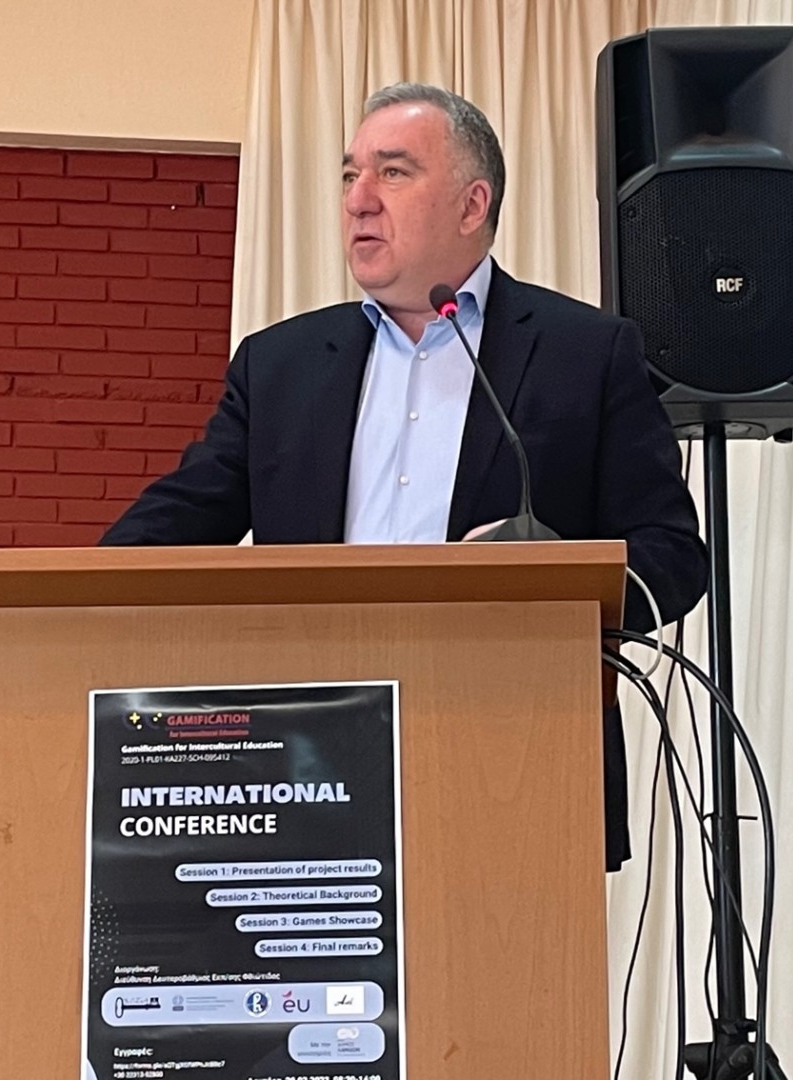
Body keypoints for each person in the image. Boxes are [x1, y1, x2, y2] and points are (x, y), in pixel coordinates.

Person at [100, 82, 707, 871]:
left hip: (512, 757)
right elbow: (177, 521)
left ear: (471, 204)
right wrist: (59, 601)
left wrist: (554, 576)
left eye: (392, 173)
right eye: (349, 175)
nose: (359, 200)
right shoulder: (279, 365)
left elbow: (672, 555)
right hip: (305, 766)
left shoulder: (586, 353)